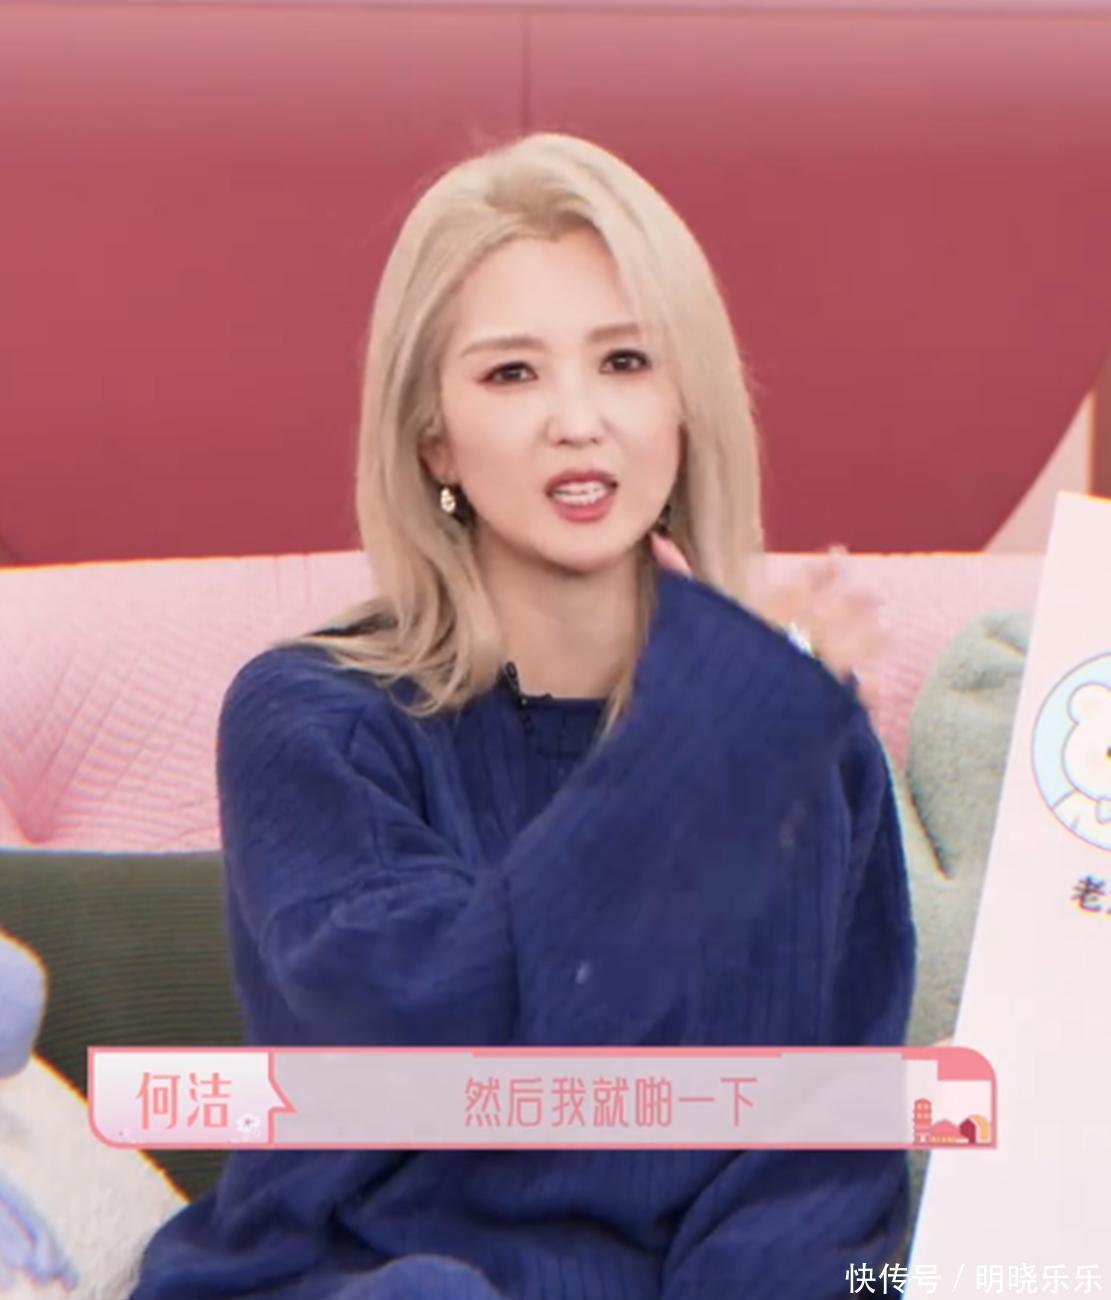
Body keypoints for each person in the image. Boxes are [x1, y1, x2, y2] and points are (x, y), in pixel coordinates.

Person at [128, 131, 915, 1299]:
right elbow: (445, 1033)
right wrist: (714, 750)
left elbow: (820, 1164)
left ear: (685, 403)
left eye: (626, 361)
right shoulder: (311, 719)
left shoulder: (795, 740)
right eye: (511, 374)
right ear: (432, 436)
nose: (577, 420)